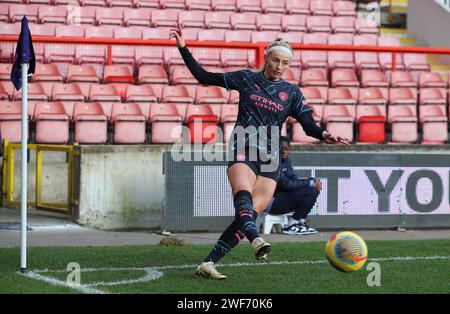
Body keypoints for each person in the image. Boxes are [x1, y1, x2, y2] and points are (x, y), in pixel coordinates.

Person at [170, 24, 350, 280]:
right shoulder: (246, 79)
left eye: (285, 63)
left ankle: (208, 263)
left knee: (249, 213)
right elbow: (203, 77)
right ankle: (256, 240)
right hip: (243, 146)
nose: (279, 66)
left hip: (270, 157)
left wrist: (324, 134)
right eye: (275, 59)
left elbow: (308, 126)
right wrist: (183, 48)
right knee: (242, 196)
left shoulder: (293, 94)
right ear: (266, 56)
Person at [267, 136, 320, 235]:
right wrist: (310, 182)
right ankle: (292, 224)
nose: (283, 151)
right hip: (270, 203)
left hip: (281, 198)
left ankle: (299, 222)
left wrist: (312, 183)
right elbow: (287, 185)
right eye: (280, 148)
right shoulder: (271, 163)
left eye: (286, 149)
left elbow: (294, 181)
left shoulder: (287, 162)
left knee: (313, 190)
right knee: (310, 189)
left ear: (289, 150)